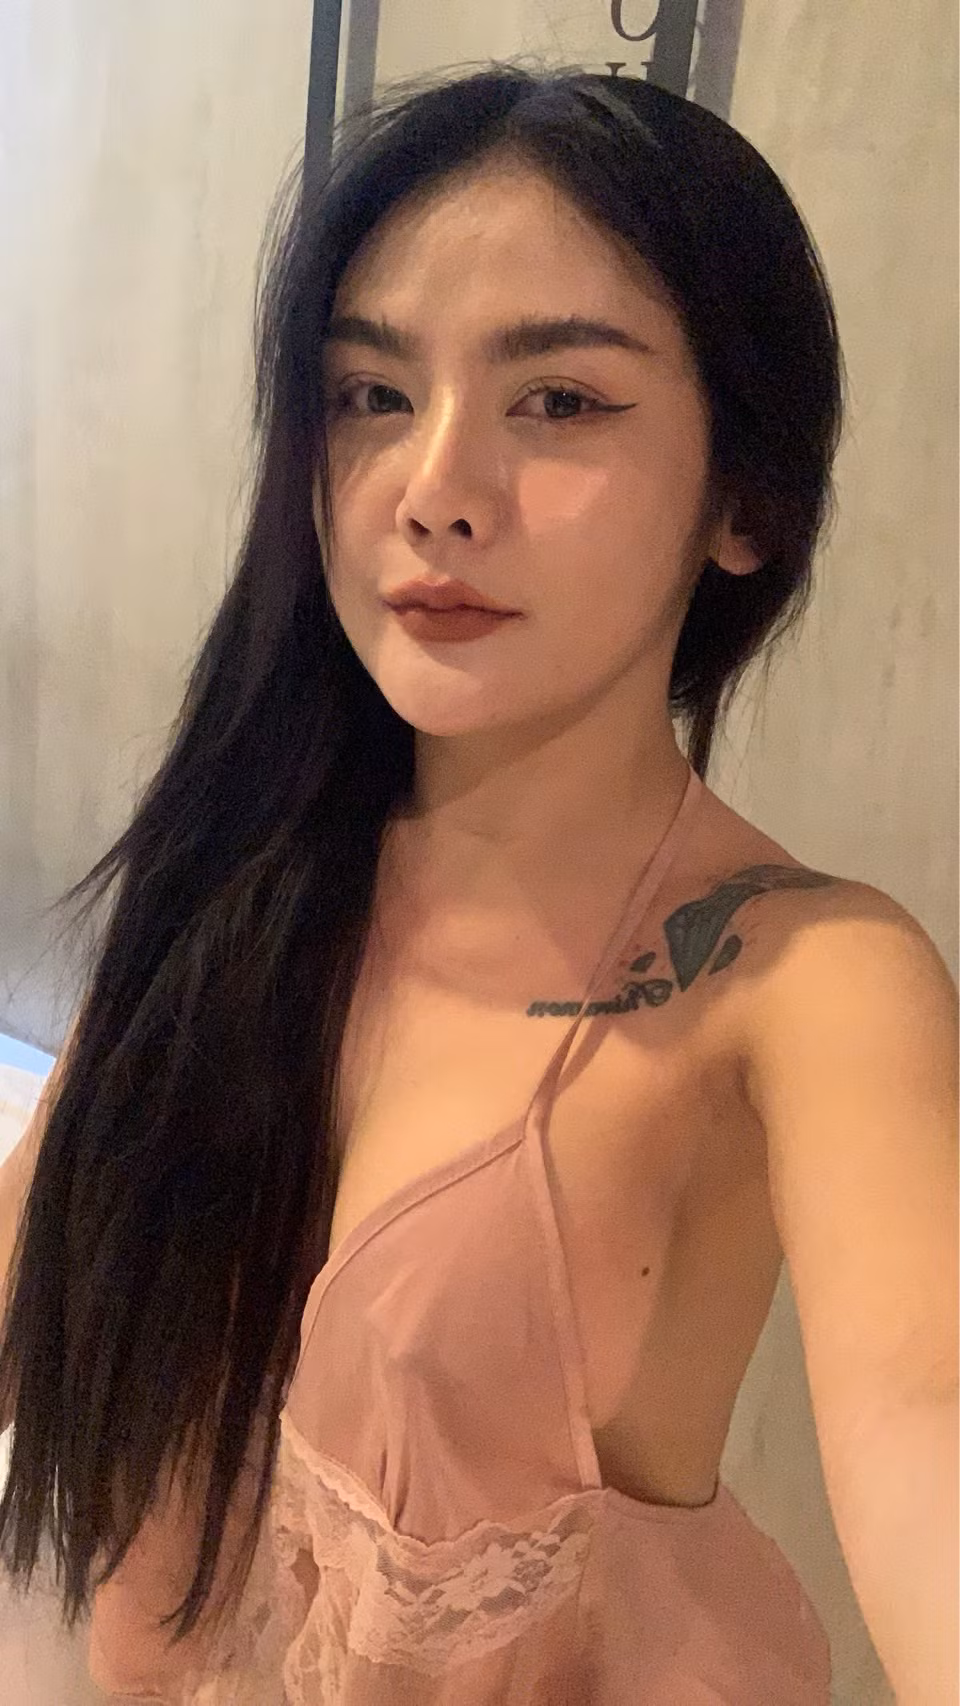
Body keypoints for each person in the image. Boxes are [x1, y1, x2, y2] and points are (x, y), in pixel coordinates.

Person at [0, 61, 955, 1706]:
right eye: (371, 394)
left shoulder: (805, 977)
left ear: (747, 496)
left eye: (561, 402)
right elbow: (37, 1265)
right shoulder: (239, 865)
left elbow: (925, 1412)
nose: (434, 488)